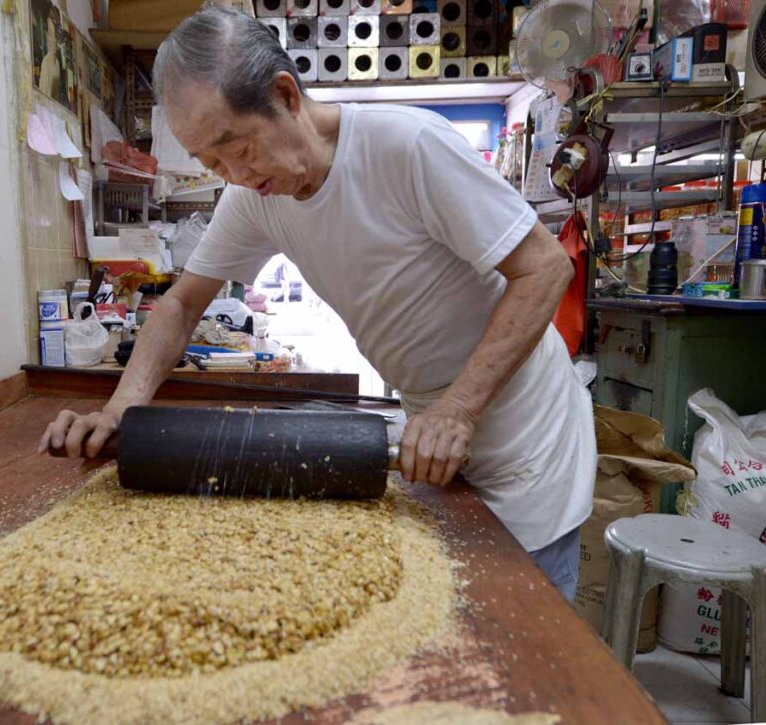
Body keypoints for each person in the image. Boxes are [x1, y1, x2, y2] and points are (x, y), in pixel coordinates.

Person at [38, 7, 596, 601]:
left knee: (523, 646)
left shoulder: (406, 147)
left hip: (523, 444)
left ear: (285, 96)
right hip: (432, 441)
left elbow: (544, 267)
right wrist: (122, 412)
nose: (235, 174)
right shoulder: (255, 194)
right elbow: (180, 306)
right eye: (211, 163)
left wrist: (458, 409)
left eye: (238, 148)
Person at [38, 12, 61, 100]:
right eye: (50, 33)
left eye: (56, 35)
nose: (54, 40)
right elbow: (43, 97)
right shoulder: (46, 62)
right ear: (47, 36)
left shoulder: (57, 63)